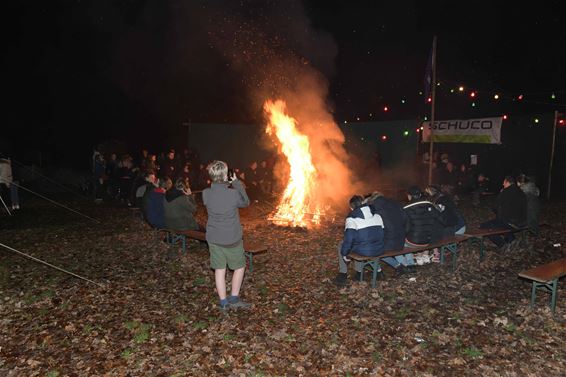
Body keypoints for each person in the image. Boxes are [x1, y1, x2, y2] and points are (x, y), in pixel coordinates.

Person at [203, 160, 251, 311]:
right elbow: (246, 202)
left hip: (214, 238)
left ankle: (223, 302)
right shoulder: (233, 194)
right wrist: (236, 183)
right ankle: (234, 298)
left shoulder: (206, 193)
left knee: (219, 269)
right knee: (240, 266)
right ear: (225, 175)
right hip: (232, 239)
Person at [334, 195, 384, 286]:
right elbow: (382, 233)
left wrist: (345, 255)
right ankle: (362, 271)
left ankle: (343, 273)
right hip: (379, 248)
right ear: (363, 203)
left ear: (351, 207)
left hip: (365, 250)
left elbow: (348, 240)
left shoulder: (351, 219)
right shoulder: (377, 215)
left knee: (342, 245)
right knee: (361, 242)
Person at [401, 186, 445, 271]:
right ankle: (422, 256)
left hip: (413, 242)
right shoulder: (430, 205)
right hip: (428, 240)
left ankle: (410, 263)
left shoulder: (406, 208)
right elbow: (440, 219)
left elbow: (405, 228)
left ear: (409, 196)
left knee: (399, 242)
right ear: (420, 194)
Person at [365, 192, 408, 276]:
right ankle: (401, 265)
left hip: (389, 243)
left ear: (372, 199)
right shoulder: (394, 203)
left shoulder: (374, 207)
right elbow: (405, 219)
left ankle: (378, 271)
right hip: (401, 239)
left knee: (370, 247)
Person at [480, 175, 527, 249]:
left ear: (508, 182)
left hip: (510, 222)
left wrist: (500, 194)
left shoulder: (505, 192)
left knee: (484, 226)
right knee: (500, 221)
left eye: (504, 182)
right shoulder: (521, 192)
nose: (503, 184)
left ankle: (502, 244)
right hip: (522, 222)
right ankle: (512, 240)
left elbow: (495, 207)